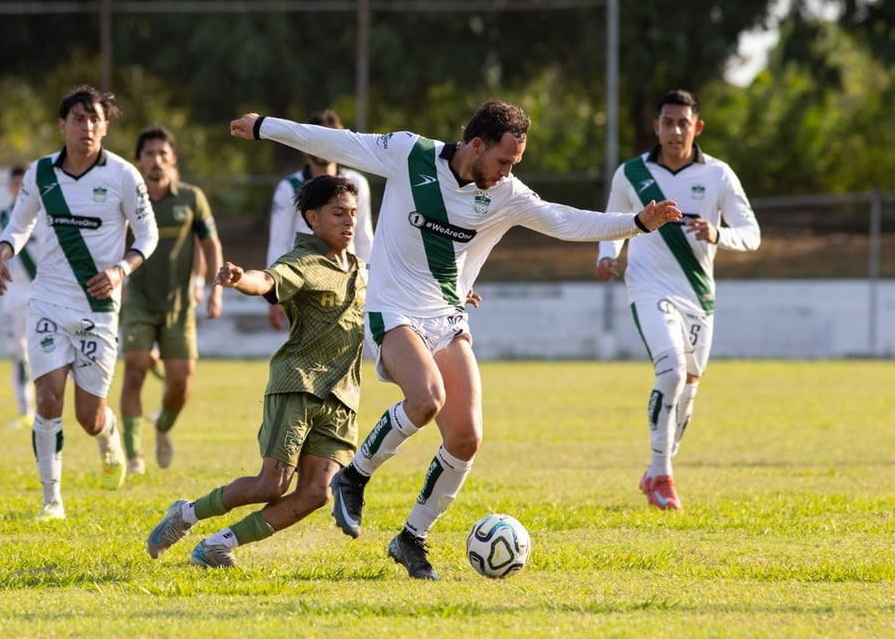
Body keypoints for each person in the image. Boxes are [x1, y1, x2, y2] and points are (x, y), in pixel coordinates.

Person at [228, 101, 682, 580]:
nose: (509, 171)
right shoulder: (409, 154)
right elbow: (338, 143)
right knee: (425, 400)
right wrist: (263, 127)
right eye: (504, 160)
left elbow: (564, 220)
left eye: (516, 164)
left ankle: (411, 538)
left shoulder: (505, 192)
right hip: (392, 309)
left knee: (466, 437)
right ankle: (353, 477)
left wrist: (635, 223)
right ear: (477, 145)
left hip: (445, 314)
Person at [146, 174, 367, 568]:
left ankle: (218, 545)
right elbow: (267, 280)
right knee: (272, 483)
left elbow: (403, 294)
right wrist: (238, 278)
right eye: (338, 213)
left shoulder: (363, 269)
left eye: (353, 213)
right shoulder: (303, 261)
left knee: (317, 493)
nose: (349, 221)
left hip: (343, 397)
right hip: (299, 384)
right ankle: (187, 514)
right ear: (313, 219)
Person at [0, 84, 158, 521]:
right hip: (48, 300)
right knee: (47, 401)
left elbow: (149, 235)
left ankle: (109, 433)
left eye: (96, 119)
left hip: (99, 308)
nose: (88, 126)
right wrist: (0, 255)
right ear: (62, 124)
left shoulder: (122, 175)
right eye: (78, 119)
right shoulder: (41, 173)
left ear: (106, 126)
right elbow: (19, 225)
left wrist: (121, 269)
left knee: (88, 417)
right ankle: (52, 501)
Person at [596, 89, 760, 510]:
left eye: (683, 123)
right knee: (669, 369)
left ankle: (654, 471)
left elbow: (752, 234)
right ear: (656, 127)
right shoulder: (631, 174)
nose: (674, 131)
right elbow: (612, 222)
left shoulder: (719, 175)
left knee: (687, 390)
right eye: (667, 123)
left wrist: (718, 234)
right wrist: (607, 256)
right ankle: (663, 474)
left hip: (698, 296)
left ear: (696, 127)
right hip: (648, 288)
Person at [118, 125, 224, 475]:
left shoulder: (191, 198)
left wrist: (214, 287)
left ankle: (162, 426)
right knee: (134, 368)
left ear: (173, 159)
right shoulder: (126, 198)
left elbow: (209, 244)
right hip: (137, 300)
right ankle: (133, 456)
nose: (156, 161)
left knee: (181, 382)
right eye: (149, 154)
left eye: (163, 154)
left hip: (179, 305)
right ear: (138, 160)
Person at [265, 108, 374, 330]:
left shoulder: (356, 184)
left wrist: (372, 285)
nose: (323, 148)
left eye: (329, 140)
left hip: (348, 280)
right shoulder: (289, 188)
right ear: (304, 145)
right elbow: (278, 241)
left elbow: (364, 238)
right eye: (317, 140)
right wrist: (272, 292)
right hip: (304, 281)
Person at [0, 164, 42, 429]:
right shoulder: (2, 217)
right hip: (13, 293)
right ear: (9, 186)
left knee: (45, 352)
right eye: (15, 184)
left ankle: (48, 408)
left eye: (24, 184)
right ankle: (24, 410)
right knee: (17, 352)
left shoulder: (45, 215)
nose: (19, 189)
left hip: (41, 291)